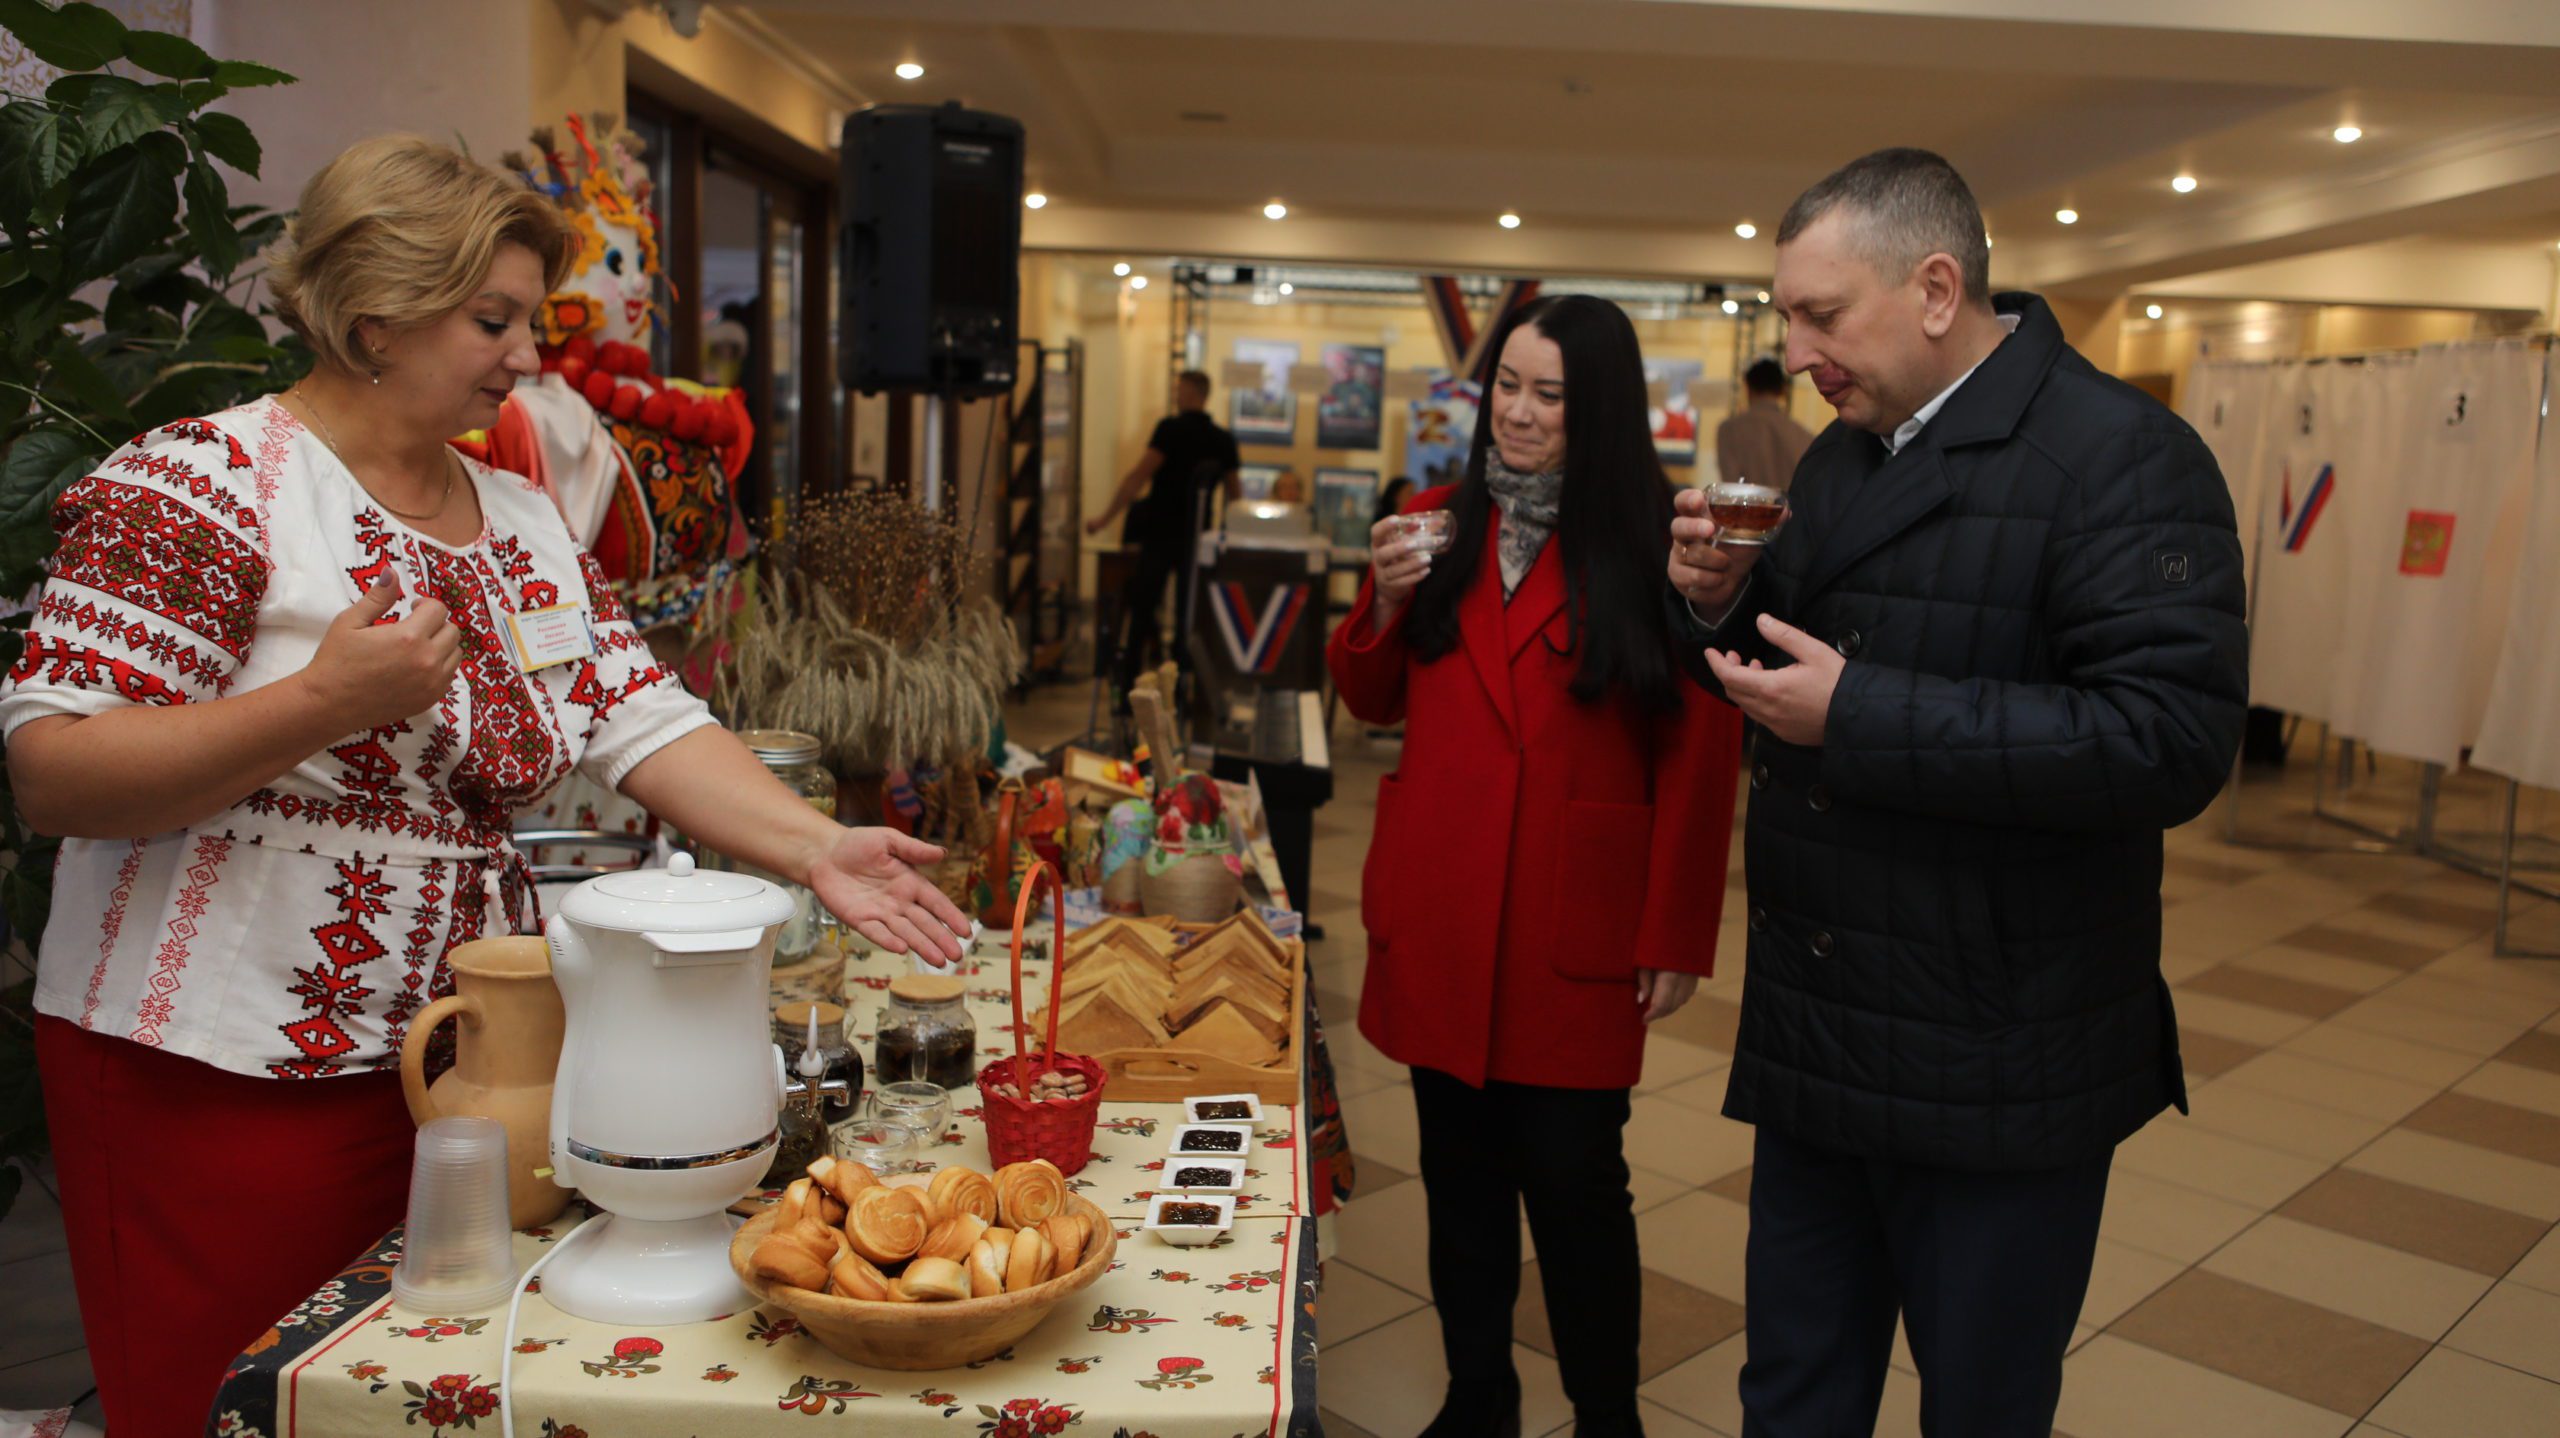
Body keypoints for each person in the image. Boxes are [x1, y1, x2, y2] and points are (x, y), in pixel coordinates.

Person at [1, 135, 973, 1433]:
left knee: (413, 1390)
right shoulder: (203, 484)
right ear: (372, 316)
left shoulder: (516, 516)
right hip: (220, 1071)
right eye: (494, 319)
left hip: (461, 1059)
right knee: (224, 1397)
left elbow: (639, 713)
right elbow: (52, 770)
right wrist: (320, 702)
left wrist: (811, 846)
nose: (529, 357)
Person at [1665, 148, 2247, 1436]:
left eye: (1823, 315)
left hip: (1998, 1054)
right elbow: (1796, 665)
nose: (1799, 349)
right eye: (1788, 319)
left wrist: (1861, 714)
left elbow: (2166, 740)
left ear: (1936, 288)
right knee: (1795, 1391)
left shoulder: (2123, 459)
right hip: (1826, 1031)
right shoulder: (1844, 456)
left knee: (1979, 1405)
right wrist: (1715, 600)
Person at [1331, 295, 1743, 1438]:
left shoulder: (1659, 545)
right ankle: (1480, 1398)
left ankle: (1606, 1412)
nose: (1516, 411)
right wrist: (1385, 599)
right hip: (1445, 908)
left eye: (1548, 394)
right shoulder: (1428, 522)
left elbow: (1701, 750)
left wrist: (1672, 932)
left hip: (1576, 919)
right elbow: (1368, 695)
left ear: (1598, 406)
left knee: (1575, 1192)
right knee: (1459, 1187)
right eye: (1505, 386)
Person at [1085, 369, 1241, 690]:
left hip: (1161, 534)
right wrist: (1229, 536)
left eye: (1179, 389)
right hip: (1196, 537)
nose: (1176, 395)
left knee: (1142, 609)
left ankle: (1130, 680)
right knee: (1188, 615)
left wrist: (1105, 518)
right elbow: (1235, 495)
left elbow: (1138, 476)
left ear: (1193, 392)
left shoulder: (1170, 430)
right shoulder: (1222, 439)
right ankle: (1181, 684)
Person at [1714, 356, 1814, 489]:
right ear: (1782, 390)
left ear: (1748, 388)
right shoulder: (1803, 435)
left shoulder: (1728, 430)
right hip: (1789, 509)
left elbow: (1731, 485)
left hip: (1744, 509)